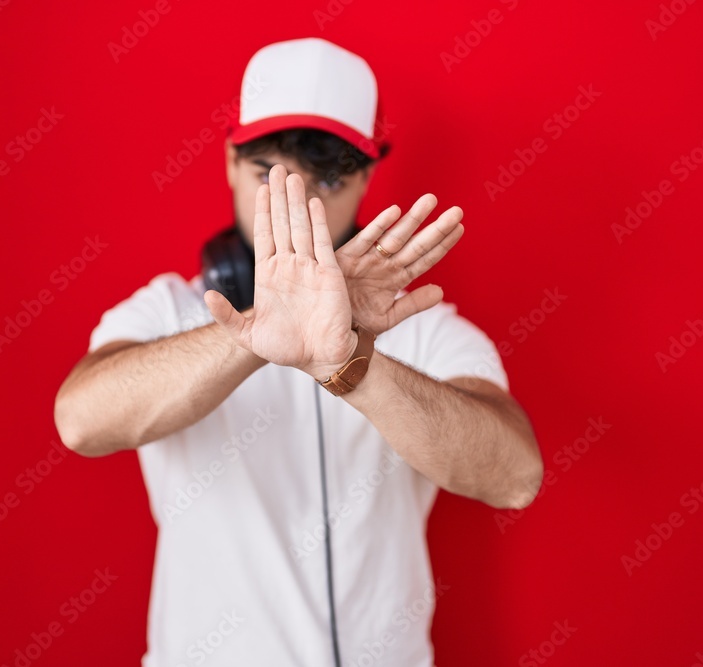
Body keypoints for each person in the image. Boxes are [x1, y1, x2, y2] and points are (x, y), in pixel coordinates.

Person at [55, 37, 543, 667]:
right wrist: (254, 334)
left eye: (328, 177)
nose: (301, 203)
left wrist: (350, 361)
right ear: (230, 160)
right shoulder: (167, 311)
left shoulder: (422, 329)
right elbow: (79, 421)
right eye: (268, 173)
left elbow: (515, 478)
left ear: (367, 176)